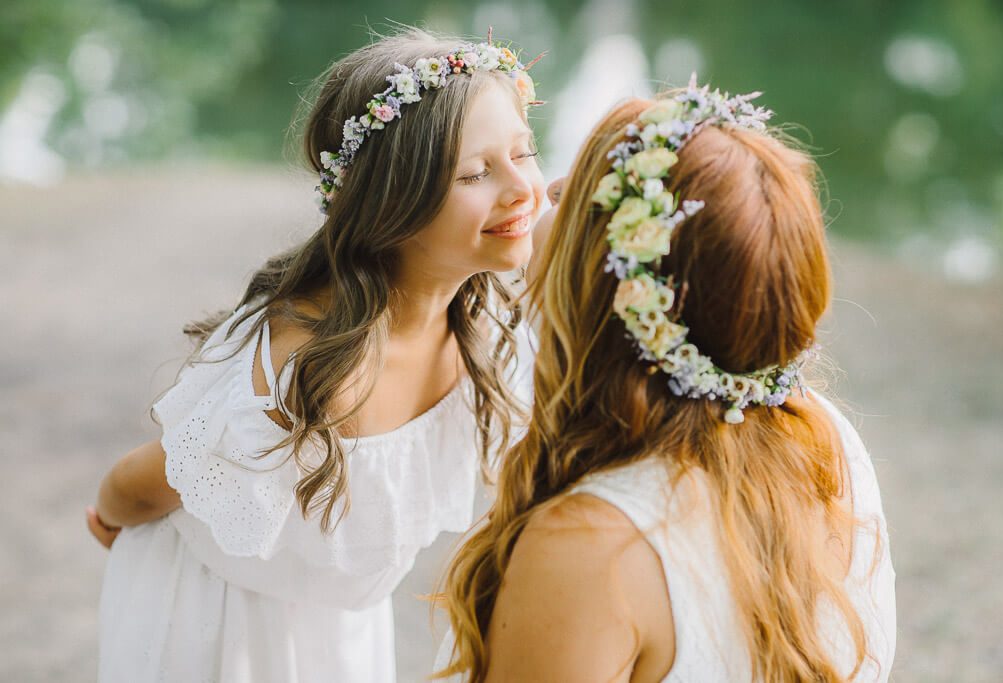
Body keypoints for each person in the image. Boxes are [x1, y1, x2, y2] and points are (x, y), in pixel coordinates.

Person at [86, 28, 545, 683]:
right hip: (223, 620)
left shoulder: (487, 320)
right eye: (476, 173)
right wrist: (109, 518)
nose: (522, 187)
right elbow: (146, 479)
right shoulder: (310, 368)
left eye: (525, 152)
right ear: (390, 202)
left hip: (337, 621)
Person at [436, 79, 897, 682]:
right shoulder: (822, 436)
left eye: (591, 191)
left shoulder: (591, 548)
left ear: (620, 286)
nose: (551, 187)